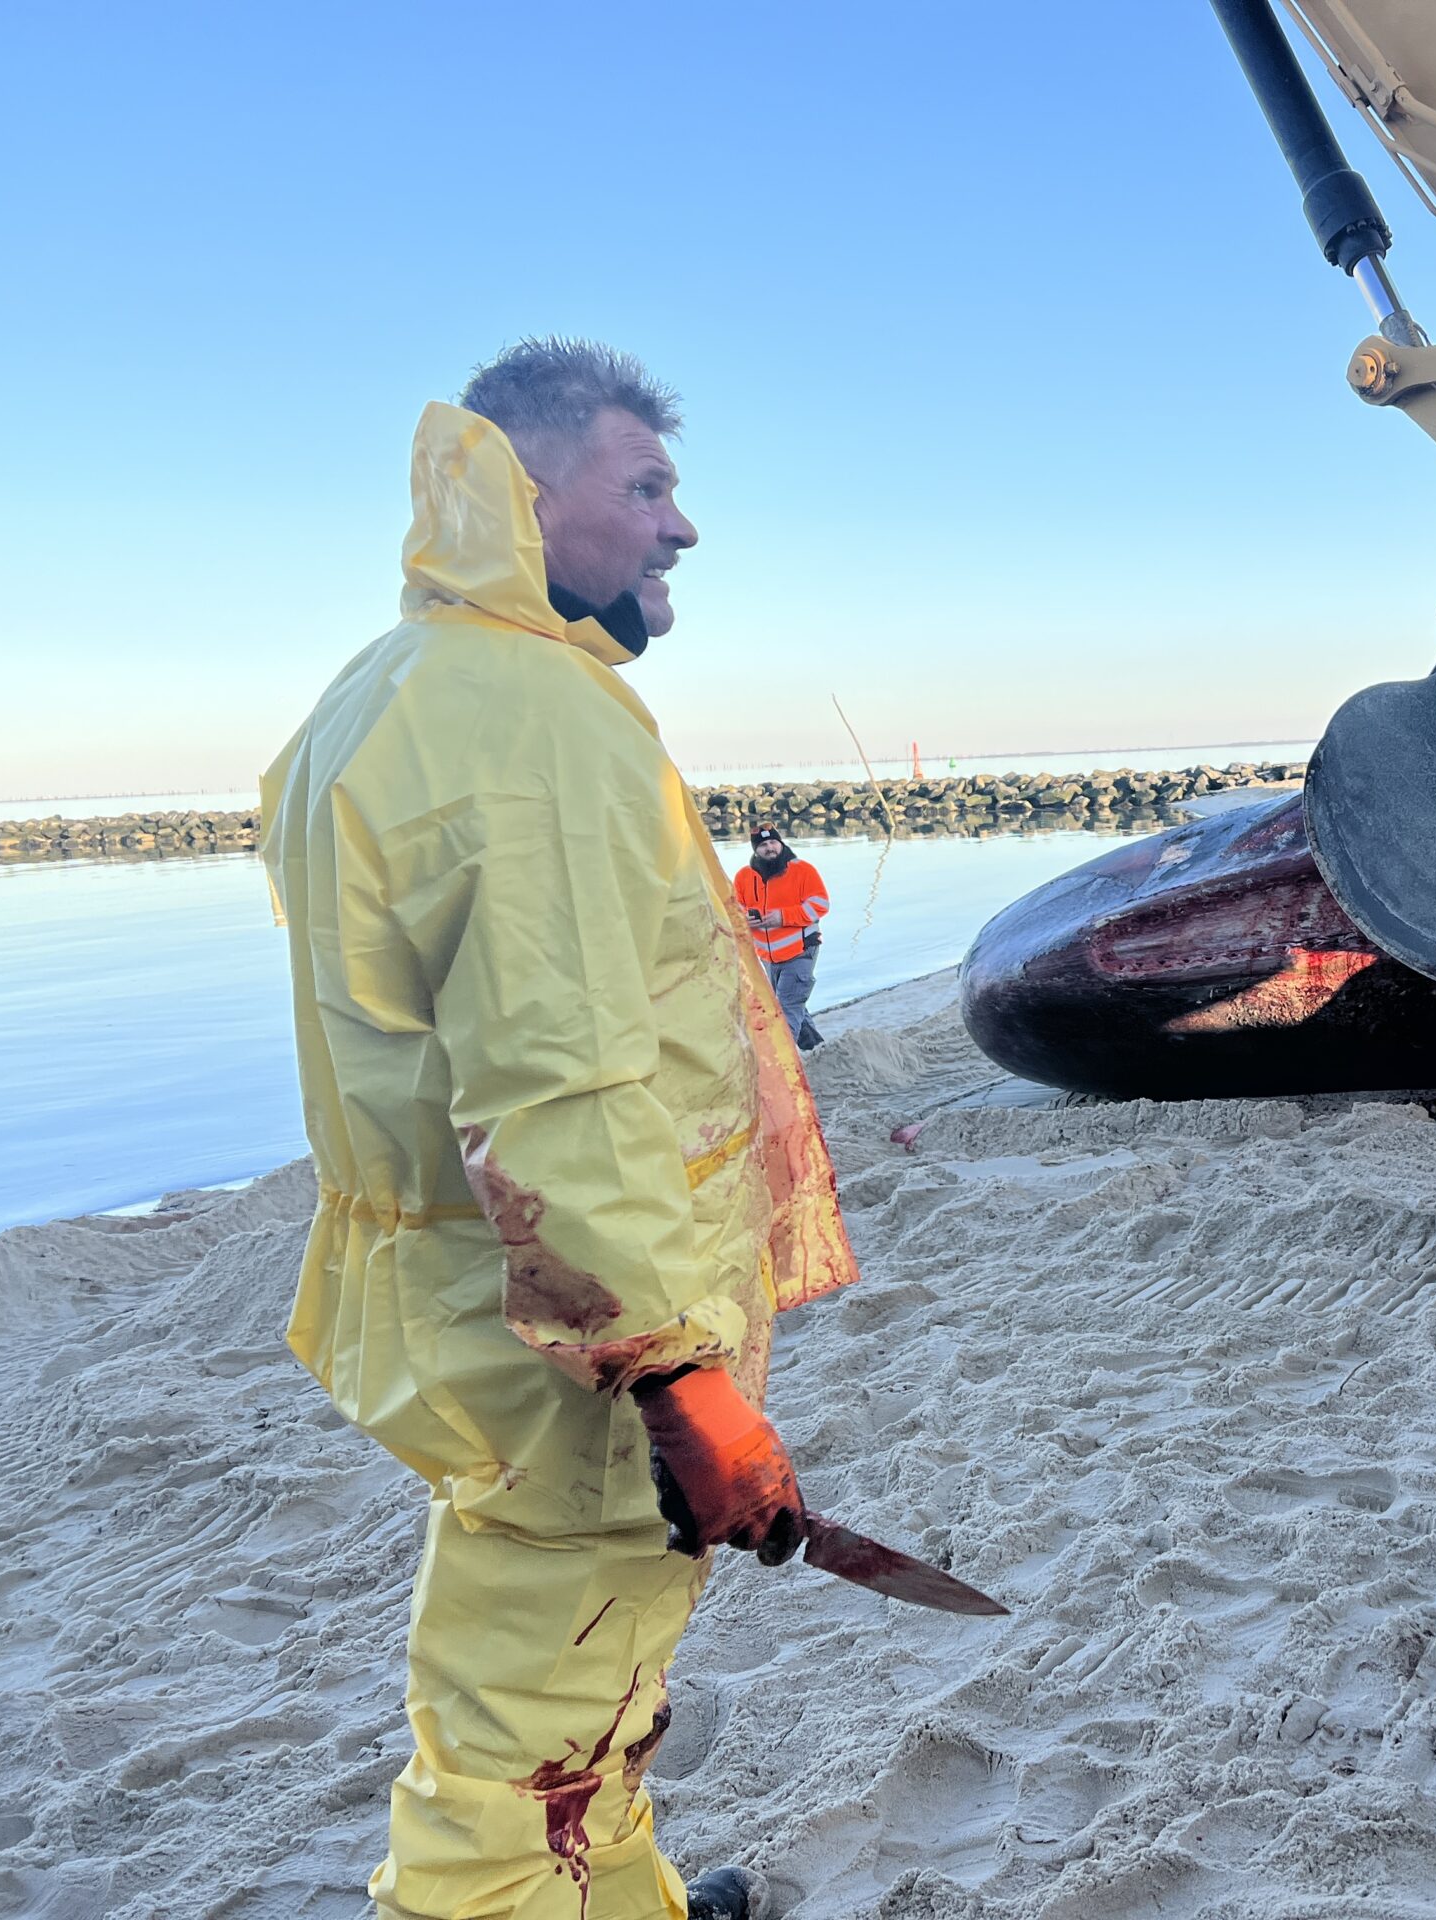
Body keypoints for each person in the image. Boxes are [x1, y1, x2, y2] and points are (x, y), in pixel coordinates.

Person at [260, 338, 860, 1920]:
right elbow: (559, 1084)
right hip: (571, 1334)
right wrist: (672, 1370)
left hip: (464, 1301)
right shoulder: (531, 719)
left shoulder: (376, 695)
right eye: (646, 487)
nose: (682, 529)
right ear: (523, 502)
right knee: (518, 1751)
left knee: (577, 1687)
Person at [733, 825, 829, 1049]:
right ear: (756, 850)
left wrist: (783, 917)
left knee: (786, 1008)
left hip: (801, 951)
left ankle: (786, 1068)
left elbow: (821, 905)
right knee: (790, 1004)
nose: (770, 848)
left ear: (781, 844)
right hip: (768, 956)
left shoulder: (802, 870)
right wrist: (744, 920)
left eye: (774, 843)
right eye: (763, 845)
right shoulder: (744, 876)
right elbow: (733, 908)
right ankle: (817, 1050)